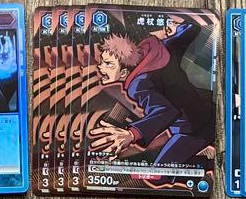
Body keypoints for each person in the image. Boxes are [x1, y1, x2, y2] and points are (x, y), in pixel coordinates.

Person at [89, 15, 215, 165]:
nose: (100, 67)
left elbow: (167, 112)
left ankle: (206, 159)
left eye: (108, 64)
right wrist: (179, 27)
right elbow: (191, 31)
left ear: (123, 73)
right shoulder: (162, 48)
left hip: (194, 129)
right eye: (102, 61)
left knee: (160, 173)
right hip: (206, 105)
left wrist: (132, 134)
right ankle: (203, 154)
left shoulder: (138, 85)